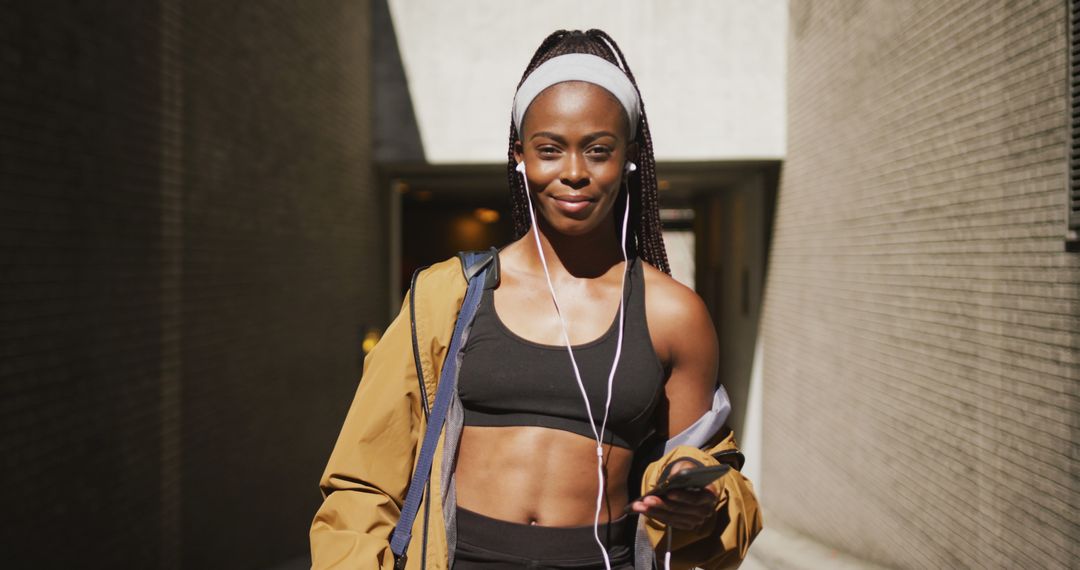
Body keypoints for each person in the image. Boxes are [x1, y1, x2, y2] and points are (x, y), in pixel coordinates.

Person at [310, 29, 762, 570]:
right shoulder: (450, 295)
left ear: (630, 157)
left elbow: (707, 471)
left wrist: (699, 498)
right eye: (550, 149)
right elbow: (364, 477)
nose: (573, 172)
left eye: (598, 150)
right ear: (520, 155)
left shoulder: (673, 314)